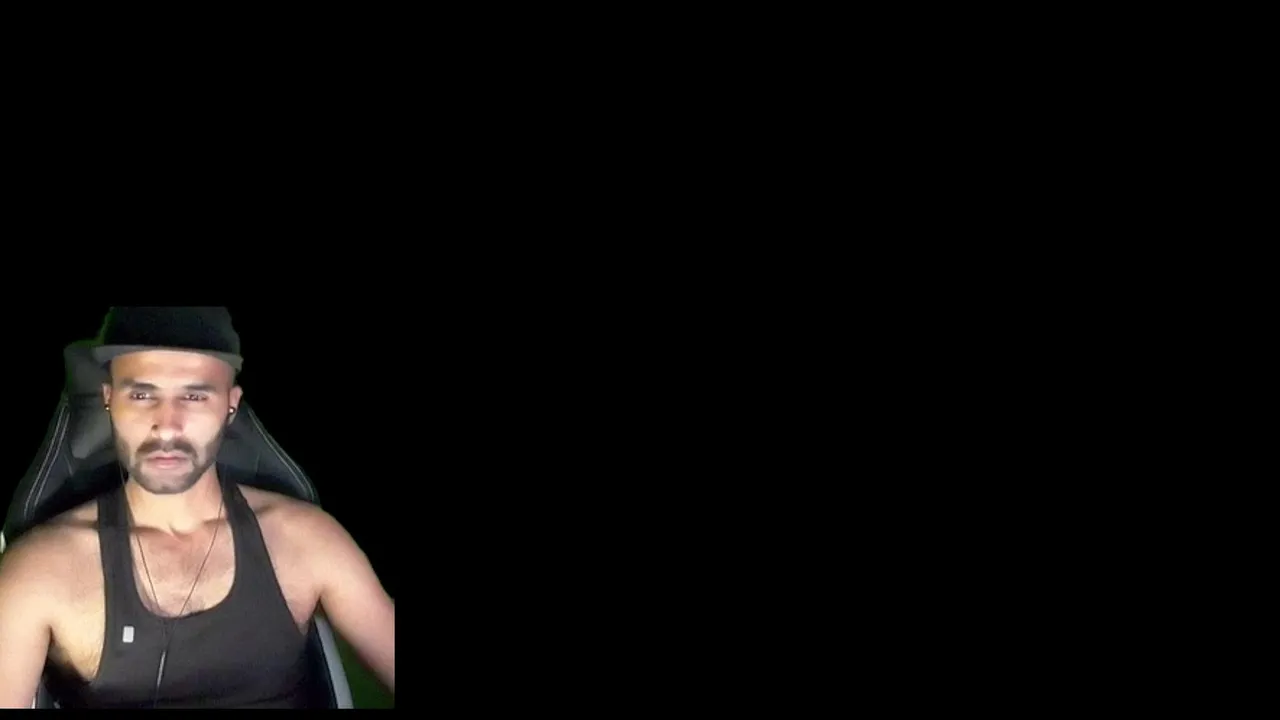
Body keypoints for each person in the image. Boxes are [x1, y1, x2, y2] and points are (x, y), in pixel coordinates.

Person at [0, 307, 394, 708]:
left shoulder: (306, 540)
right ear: (109, 400)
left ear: (230, 405)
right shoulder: (40, 570)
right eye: (142, 395)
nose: (167, 426)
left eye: (194, 395)